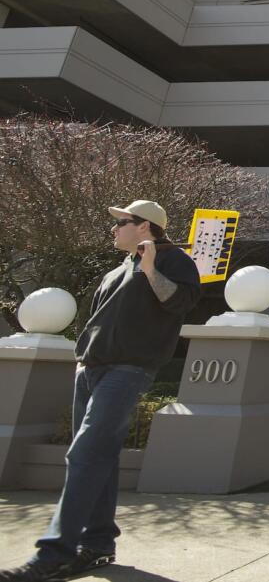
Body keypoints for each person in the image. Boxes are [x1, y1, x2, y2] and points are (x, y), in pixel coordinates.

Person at [2, 200, 202, 582]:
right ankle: (97, 544)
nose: (114, 229)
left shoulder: (173, 260)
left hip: (129, 369)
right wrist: (82, 359)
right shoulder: (117, 270)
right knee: (99, 459)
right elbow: (96, 319)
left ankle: (54, 553)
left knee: (86, 454)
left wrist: (149, 268)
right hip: (91, 369)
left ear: (145, 227)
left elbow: (180, 302)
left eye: (122, 223)